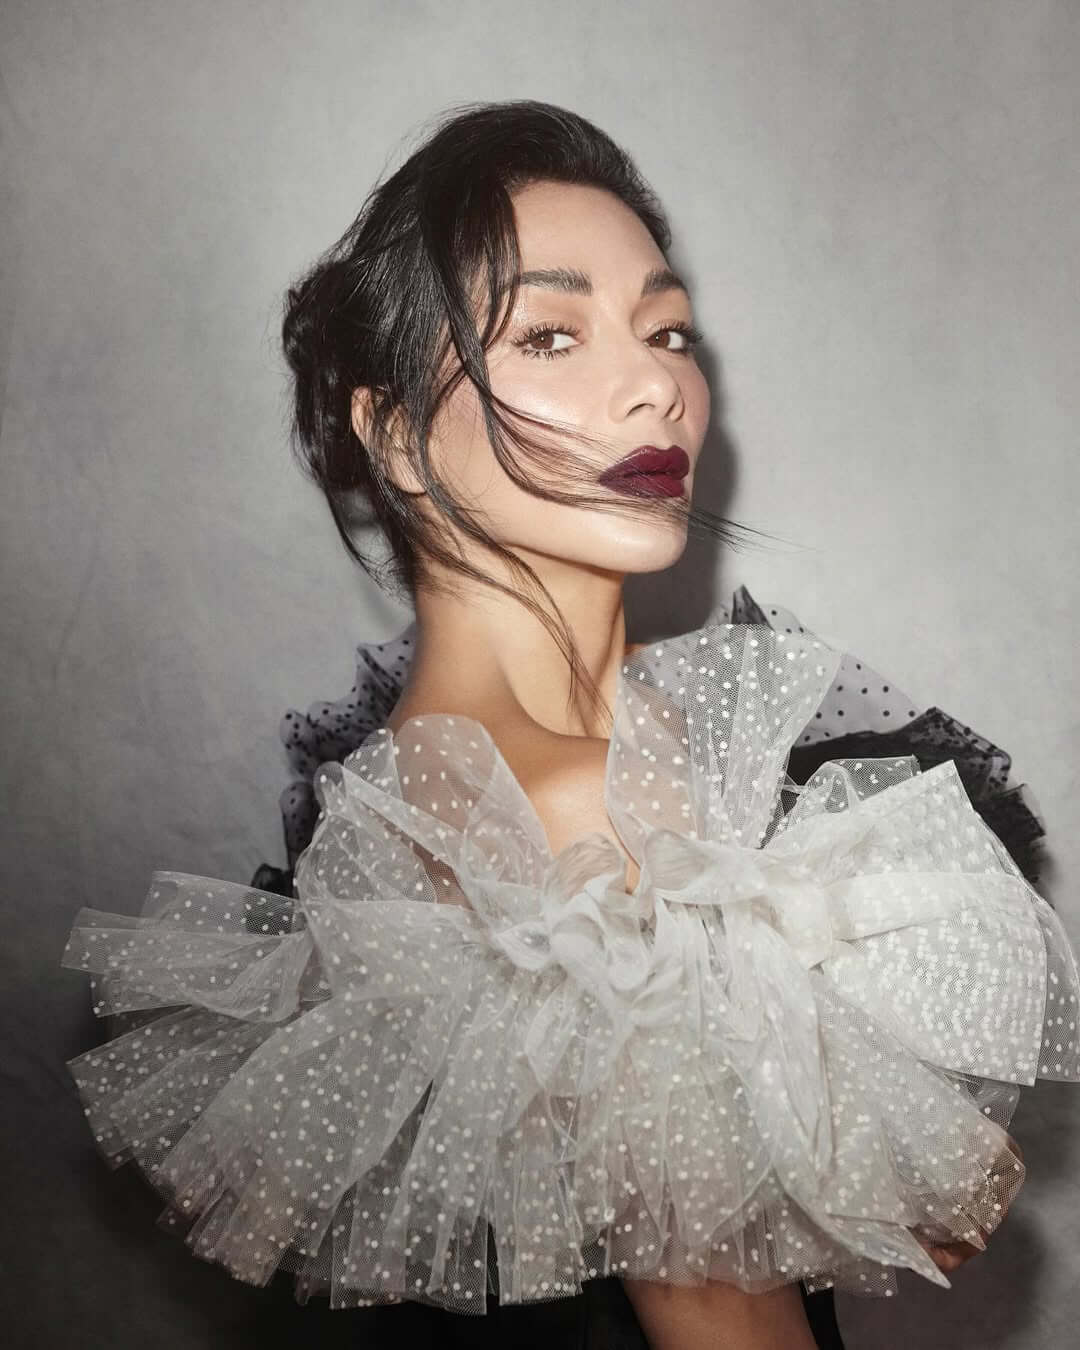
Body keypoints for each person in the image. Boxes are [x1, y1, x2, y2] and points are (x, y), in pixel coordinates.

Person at [60, 101, 1080, 1350]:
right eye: (550, 334)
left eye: (668, 330)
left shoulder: (545, 763)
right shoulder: (563, 816)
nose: (656, 384)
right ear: (395, 434)